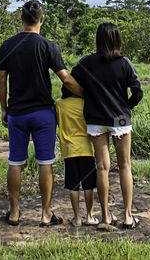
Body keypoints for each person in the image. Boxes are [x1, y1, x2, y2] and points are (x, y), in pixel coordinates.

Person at [0, 0, 82, 227]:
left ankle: (14, 212)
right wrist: (85, 95)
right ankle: (45, 214)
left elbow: (1, 80)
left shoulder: (7, 45)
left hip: (17, 112)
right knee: (46, 163)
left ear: (21, 19)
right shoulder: (48, 46)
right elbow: (65, 78)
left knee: (15, 161)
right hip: (44, 113)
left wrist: (4, 108)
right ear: (41, 19)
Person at [70, 22, 143, 229]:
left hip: (95, 119)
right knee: (125, 165)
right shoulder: (125, 63)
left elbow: (69, 83)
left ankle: (105, 216)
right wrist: (125, 107)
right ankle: (128, 216)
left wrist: (88, 96)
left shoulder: (86, 62)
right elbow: (138, 92)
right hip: (119, 119)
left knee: (102, 167)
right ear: (117, 39)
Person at [54, 86, 99, 227]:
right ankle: (90, 216)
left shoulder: (60, 104)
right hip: (87, 148)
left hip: (69, 149)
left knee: (73, 185)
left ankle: (77, 217)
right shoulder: (87, 103)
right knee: (88, 185)